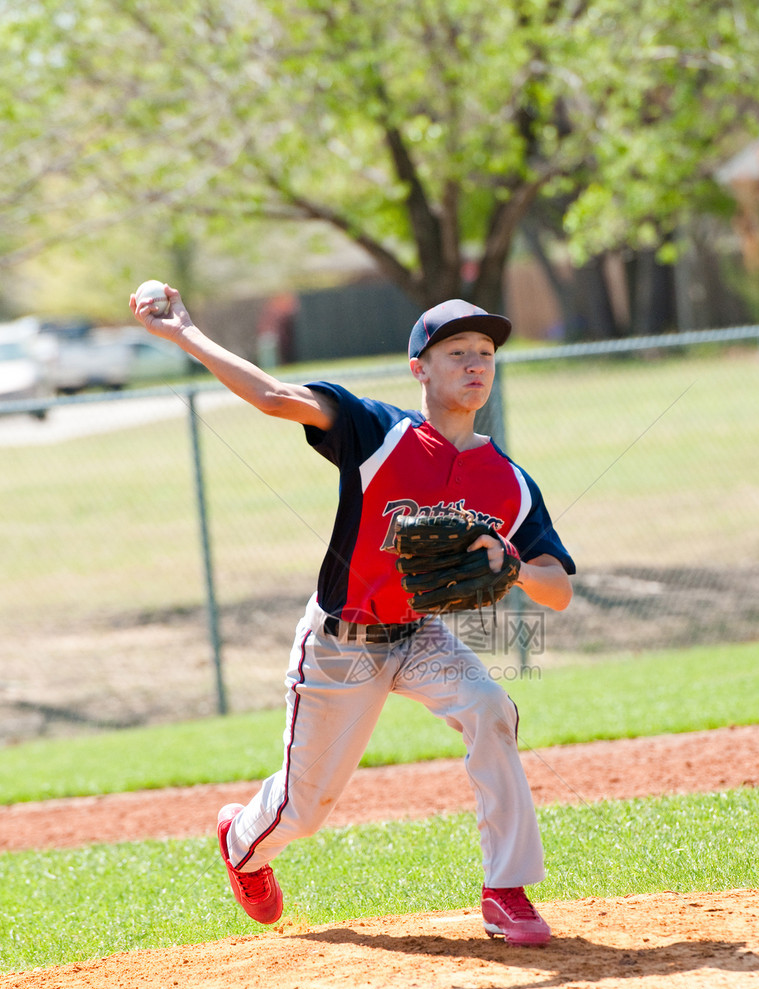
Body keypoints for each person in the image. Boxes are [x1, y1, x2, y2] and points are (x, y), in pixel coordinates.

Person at [130, 286, 575, 945]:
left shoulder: (509, 482)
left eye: (485, 352)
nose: (476, 364)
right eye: (457, 352)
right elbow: (276, 399)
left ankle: (505, 889)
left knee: (489, 706)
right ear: (419, 366)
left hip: (419, 633)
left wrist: (513, 566)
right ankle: (241, 840)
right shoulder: (375, 431)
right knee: (302, 811)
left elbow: (558, 587)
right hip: (341, 644)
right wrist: (186, 334)